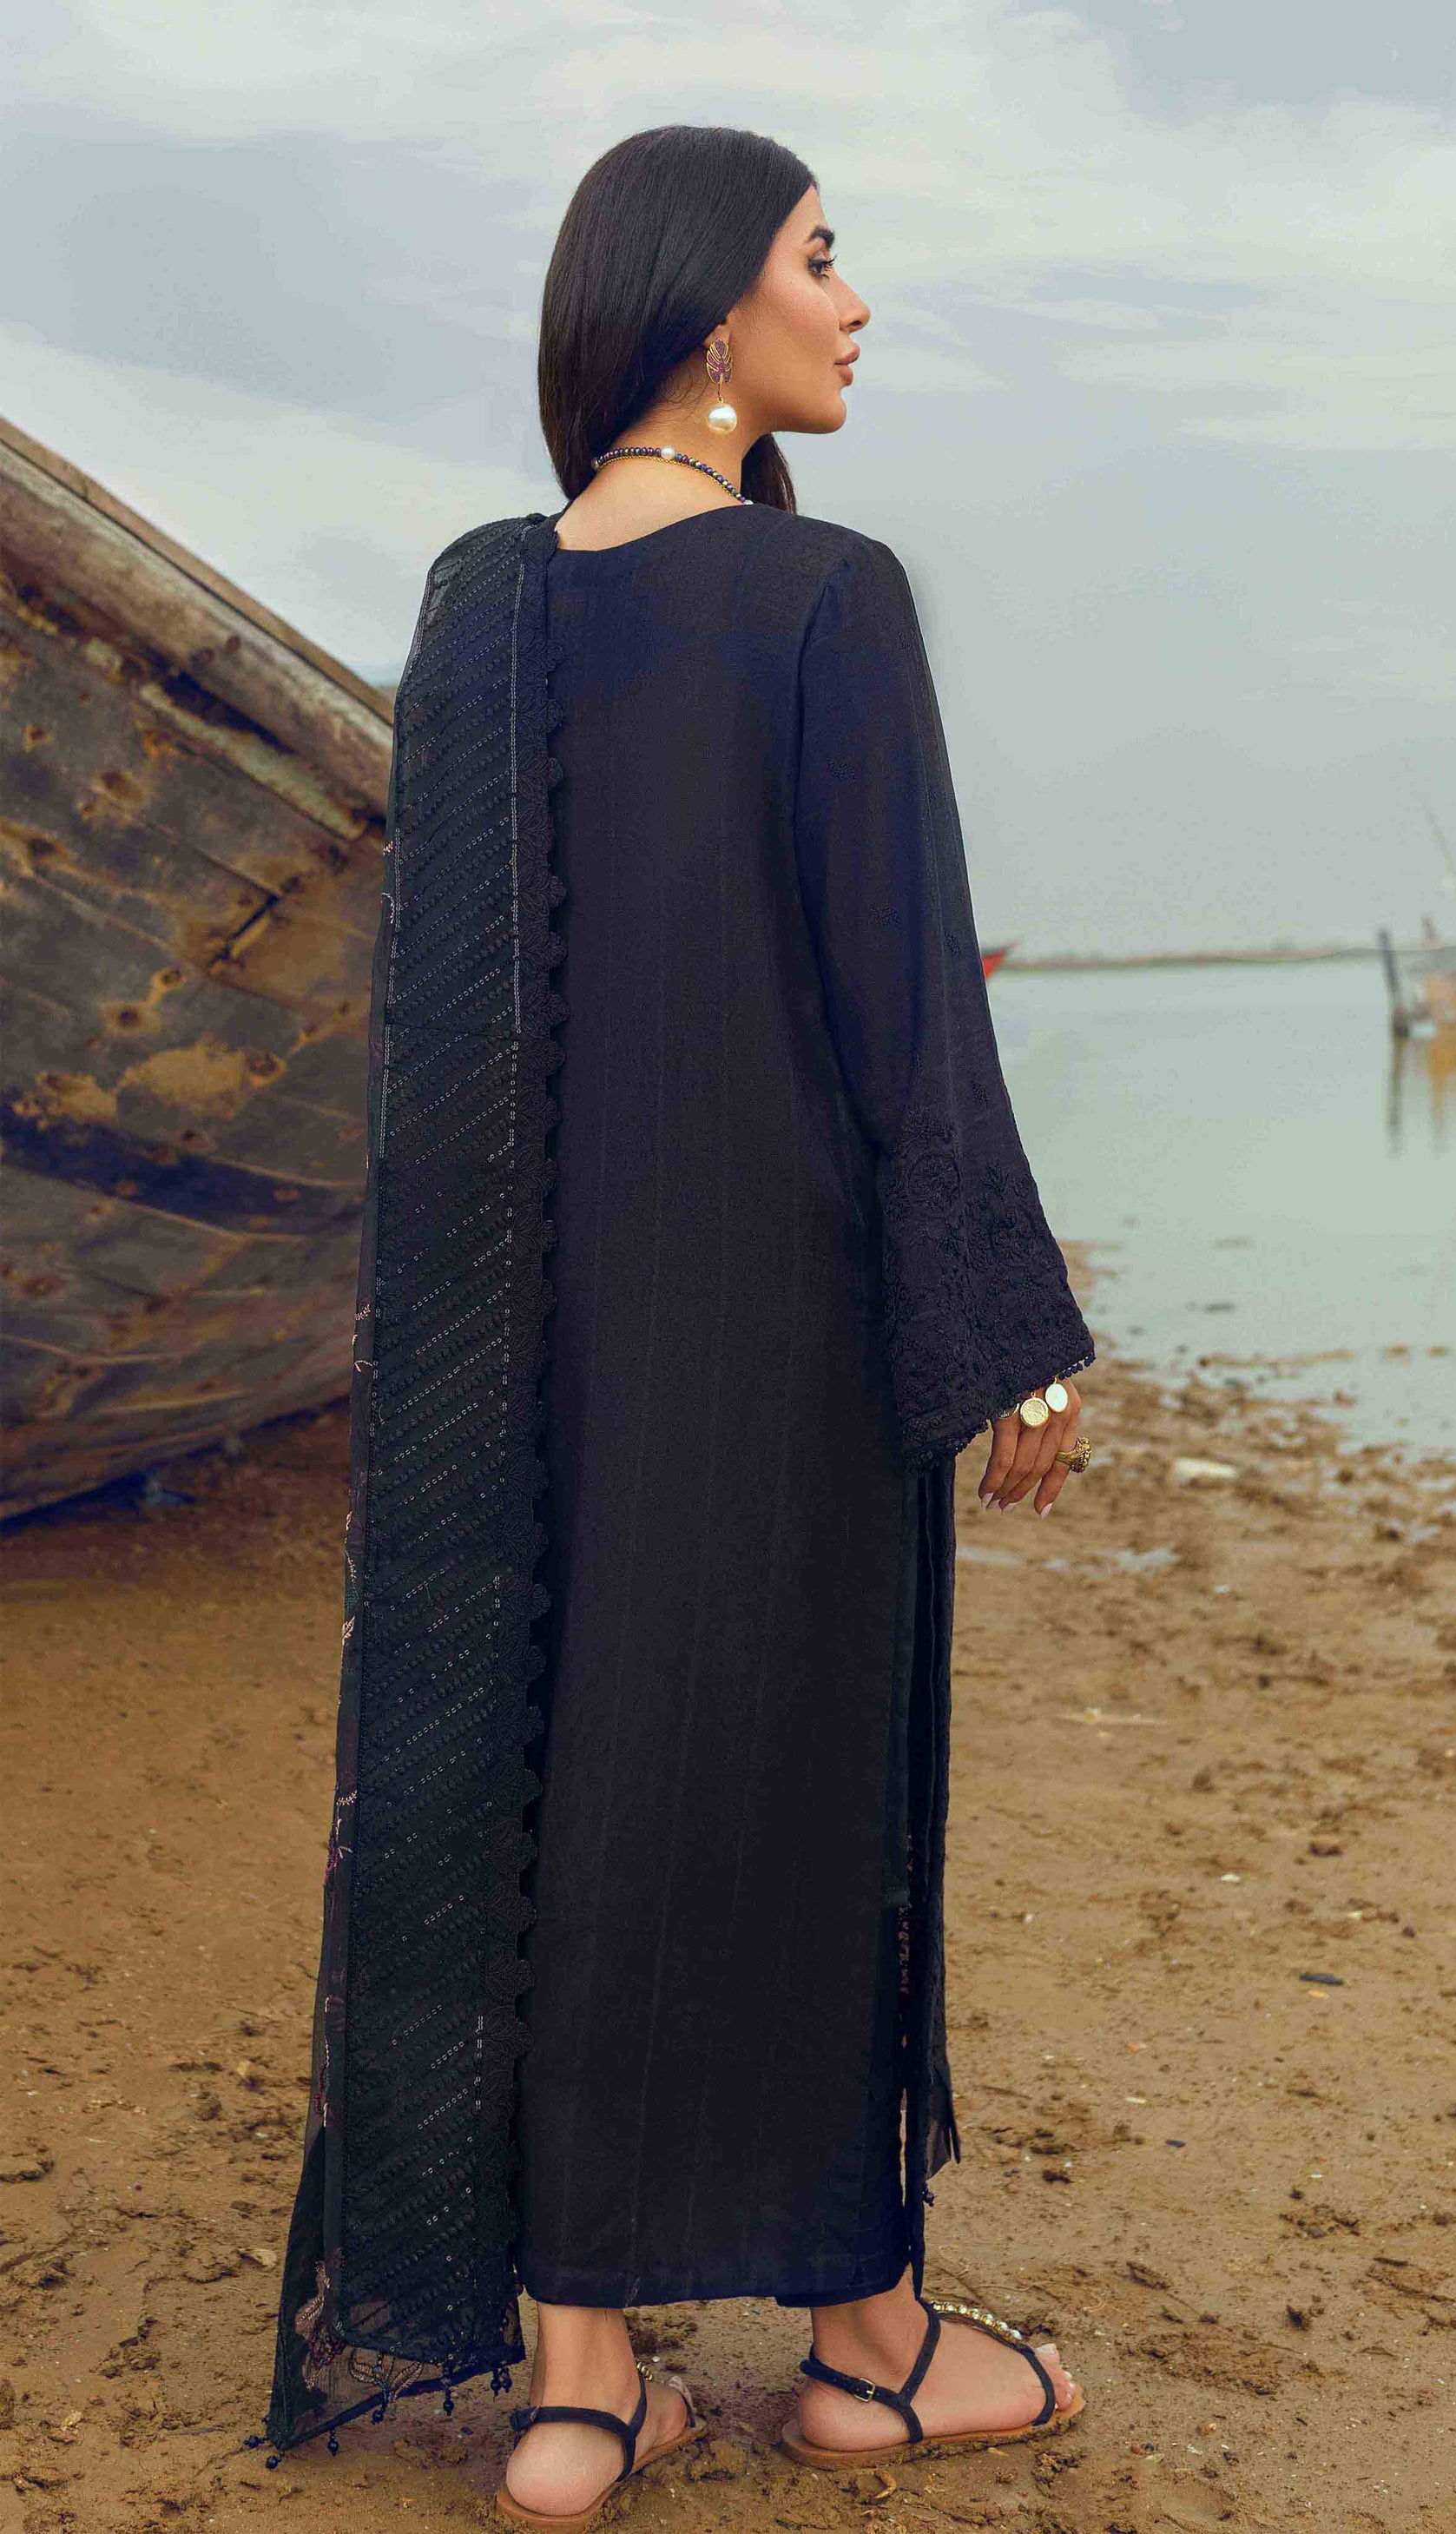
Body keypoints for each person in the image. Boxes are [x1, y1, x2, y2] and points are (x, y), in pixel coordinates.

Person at [264, 123, 1095, 2529]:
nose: (856, 303)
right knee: (810, 1788)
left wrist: (465, 1363)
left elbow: (452, 1040)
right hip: (789, 1313)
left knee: (552, 1776)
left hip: (529, 1337)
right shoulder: (826, 596)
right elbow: (900, 996)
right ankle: (867, 2346)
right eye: (824, 258)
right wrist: (1006, 1323)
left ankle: (575, 2382)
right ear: (711, 302)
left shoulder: (482, 608)